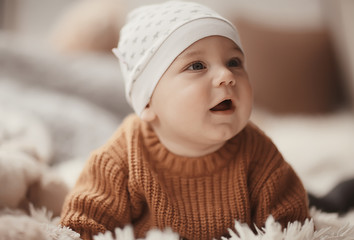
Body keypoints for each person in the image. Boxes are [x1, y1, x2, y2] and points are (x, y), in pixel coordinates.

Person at [60, 1, 310, 239]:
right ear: (148, 103)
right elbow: (82, 225)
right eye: (197, 65)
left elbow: (292, 224)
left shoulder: (257, 151)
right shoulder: (121, 158)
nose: (226, 75)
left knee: (326, 200)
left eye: (234, 62)